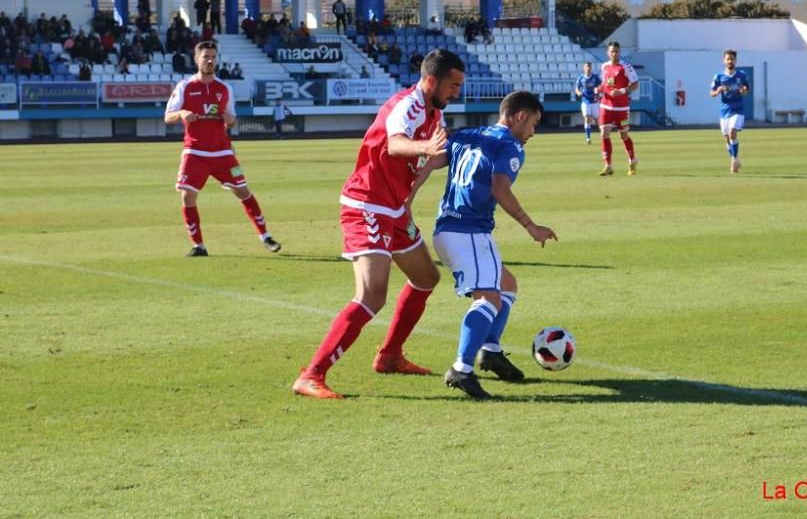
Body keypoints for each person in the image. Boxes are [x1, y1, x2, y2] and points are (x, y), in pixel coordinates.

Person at [292, 48, 466, 400]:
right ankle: (312, 375)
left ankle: (389, 356)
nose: (456, 92)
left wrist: (409, 199)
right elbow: (397, 143)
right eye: (452, 84)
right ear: (431, 80)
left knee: (426, 278)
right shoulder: (407, 106)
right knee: (372, 294)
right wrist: (424, 150)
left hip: (394, 209)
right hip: (366, 204)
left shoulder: (435, 115)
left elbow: (427, 163)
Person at [431, 91, 557, 399]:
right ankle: (461, 370)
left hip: (448, 227)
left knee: (507, 286)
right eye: (534, 124)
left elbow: (432, 161)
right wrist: (531, 226)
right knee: (489, 299)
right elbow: (500, 189)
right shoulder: (510, 144)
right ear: (520, 116)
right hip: (467, 231)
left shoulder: (467, 134)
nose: (533, 133)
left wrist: (406, 197)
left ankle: (489, 350)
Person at [164, 41, 282, 256]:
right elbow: (168, 117)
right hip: (195, 152)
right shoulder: (185, 87)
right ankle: (198, 245)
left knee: (243, 191)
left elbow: (232, 119)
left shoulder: (224, 88)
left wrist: (230, 120)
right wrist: (181, 113)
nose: (210, 60)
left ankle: (266, 236)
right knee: (187, 196)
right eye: (205, 56)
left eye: (213, 57)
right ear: (196, 59)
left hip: (223, 153)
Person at [597, 42, 639, 176]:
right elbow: (605, 83)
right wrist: (599, 89)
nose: (614, 54)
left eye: (616, 51)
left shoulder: (626, 67)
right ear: (607, 52)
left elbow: (635, 84)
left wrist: (621, 91)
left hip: (622, 108)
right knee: (604, 133)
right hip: (606, 106)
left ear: (619, 52)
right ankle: (608, 165)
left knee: (624, 135)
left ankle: (632, 160)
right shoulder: (604, 66)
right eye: (612, 51)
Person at [710, 49, 751, 173]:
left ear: (735, 60)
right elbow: (711, 93)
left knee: (733, 132)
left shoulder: (741, 75)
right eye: (728, 59)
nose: (730, 61)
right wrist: (718, 91)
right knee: (727, 138)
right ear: (724, 61)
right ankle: (735, 159)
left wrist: (744, 91)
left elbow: (746, 89)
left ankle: (734, 159)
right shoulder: (718, 76)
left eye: (732, 59)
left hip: (737, 109)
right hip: (724, 111)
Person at [573, 61, 601, 144]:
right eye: (586, 66)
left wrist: (599, 93)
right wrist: (579, 93)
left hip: (595, 102)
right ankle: (588, 138)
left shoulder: (595, 77)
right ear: (584, 68)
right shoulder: (581, 78)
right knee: (587, 118)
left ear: (591, 68)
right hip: (585, 101)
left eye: (589, 66)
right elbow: (577, 89)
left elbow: (601, 86)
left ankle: (603, 136)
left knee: (597, 120)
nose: (588, 68)